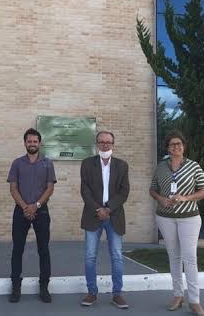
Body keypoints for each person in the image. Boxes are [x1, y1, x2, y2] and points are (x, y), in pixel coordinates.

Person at [150, 130, 204, 316]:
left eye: (179, 144)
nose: (176, 146)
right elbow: (152, 189)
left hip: (189, 218)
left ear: (184, 147)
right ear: (167, 148)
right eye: (172, 144)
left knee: (190, 258)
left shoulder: (194, 166)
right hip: (165, 217)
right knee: (174, 257)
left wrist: (185, 198)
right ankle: (177, 295)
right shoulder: (161, 167)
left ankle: (194, 300)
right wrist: (160, 199)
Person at [79, 131, 130, 309]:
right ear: (97, 144)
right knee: (90, 256)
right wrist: (98, 209)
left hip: (114, 216)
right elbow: (85, 190)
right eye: (101, 142)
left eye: (108, 142)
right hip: (92, 215)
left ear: (113, 144)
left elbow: (124, 191)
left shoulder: (122, 165)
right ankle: (92, 292)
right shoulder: (87, 164)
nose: (105, 145)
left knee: (116, 256)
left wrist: (108, 209)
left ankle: (117, 294)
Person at [7, 128, 56, 303]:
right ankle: (15, 287)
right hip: (20, 211)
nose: (32, 144)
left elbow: (50, 188)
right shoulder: (17, 163)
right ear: (25, 143)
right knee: (17, 249)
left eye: (35, 141)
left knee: (43, 250)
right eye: (29, 141)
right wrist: (25, 207)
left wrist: (36, 206)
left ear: (39, 143)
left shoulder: (47, 163)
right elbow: (13, 188)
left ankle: (44, 287)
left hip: (41, 211)